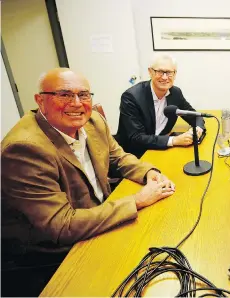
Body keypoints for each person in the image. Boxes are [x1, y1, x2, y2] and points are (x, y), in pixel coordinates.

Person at [1, 68, 175, 296]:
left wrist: (147, 172)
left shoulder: (92, 121)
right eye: (64, 95)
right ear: (40, 101)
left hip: (97, 219)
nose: (76, 103)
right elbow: (61, 226)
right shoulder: (25, 149)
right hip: (52, 254)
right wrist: (137, 200)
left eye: (83, 95)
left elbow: (117, 157)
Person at [115, 54, 205, 158]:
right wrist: (174, 140)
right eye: (160, 72)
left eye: (169, 72)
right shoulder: (131, 97)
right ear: (150, 72)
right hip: (136, 155)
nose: (165, 77)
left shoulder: (175, 93)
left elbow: (194, 115)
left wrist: (197, 129)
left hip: (161, 149)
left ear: (175, 74)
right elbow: (136, 138)